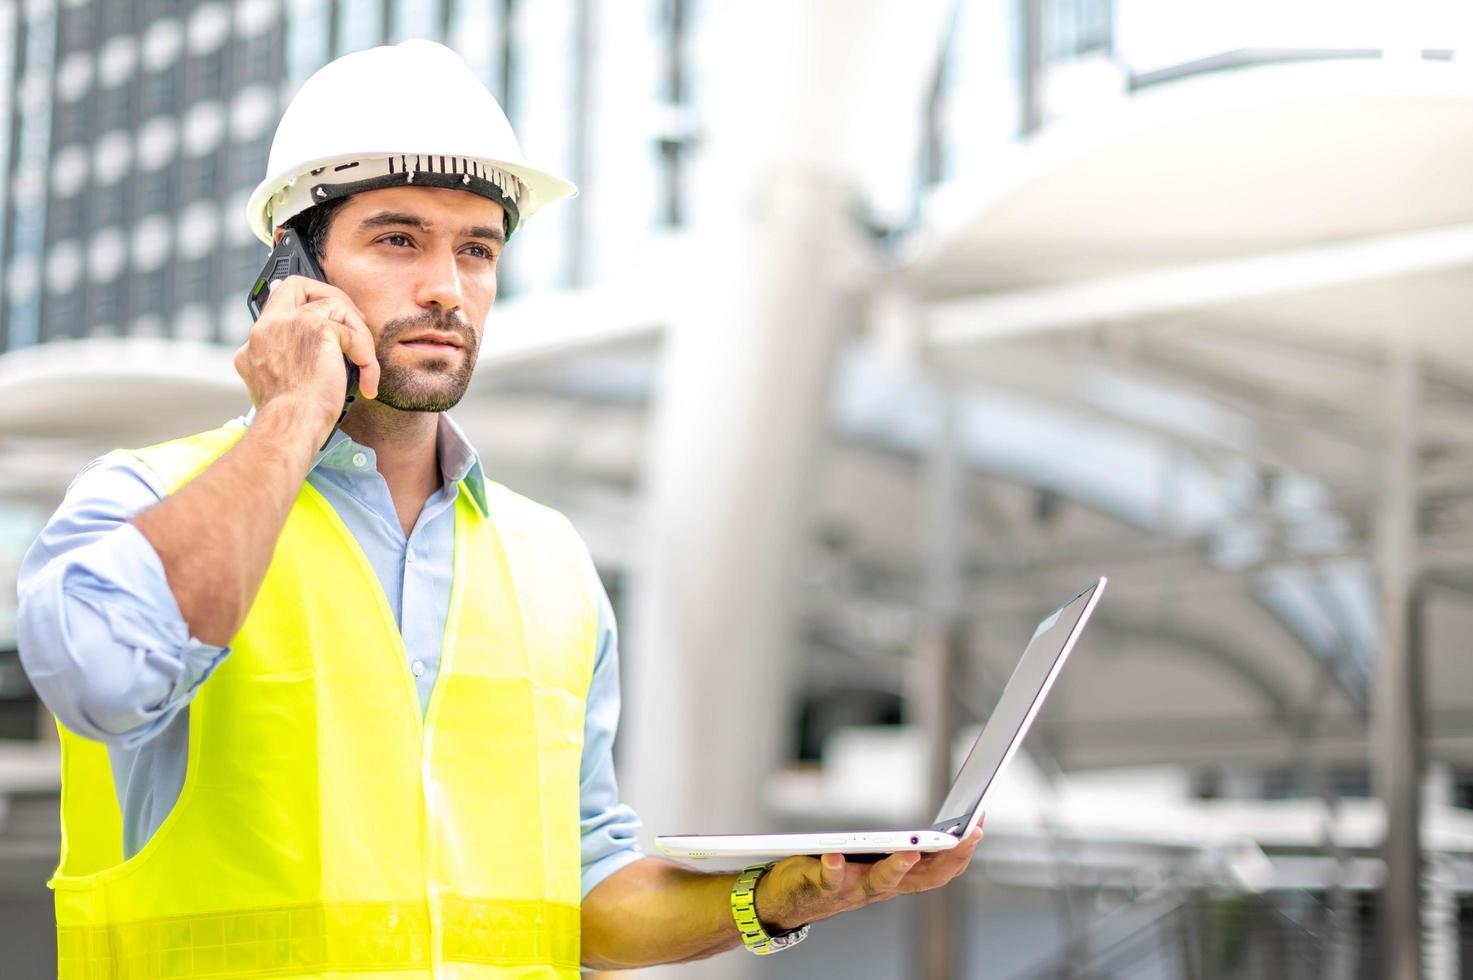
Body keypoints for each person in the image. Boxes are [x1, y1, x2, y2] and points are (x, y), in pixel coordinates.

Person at [16, 40, 981, 977]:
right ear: (293, 268)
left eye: (476, 250)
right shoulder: (143, 497)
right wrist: (292, 414)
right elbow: (102, 678)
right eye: (398, 239)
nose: (446, 287)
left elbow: (584, 892)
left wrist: (781, 896)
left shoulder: (550, 561)